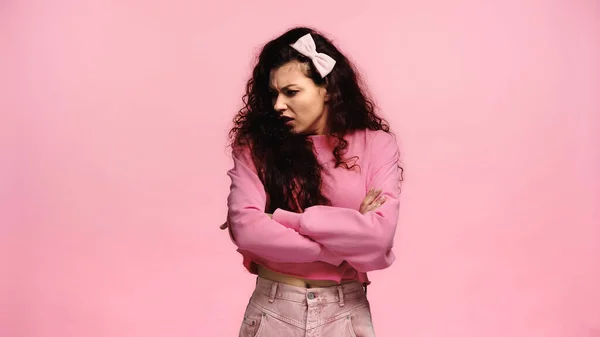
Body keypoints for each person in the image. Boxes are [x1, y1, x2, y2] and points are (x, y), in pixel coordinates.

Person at [220, 26, 403, 337]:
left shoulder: (377, 145)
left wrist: (281, 218)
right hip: (274, 311)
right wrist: (341, 243)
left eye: (291, 92)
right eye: (274, 93)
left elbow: (378, 239)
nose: (278, 105)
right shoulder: (255, 147)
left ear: (327, 88)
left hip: (345, 315)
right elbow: (246, 228)